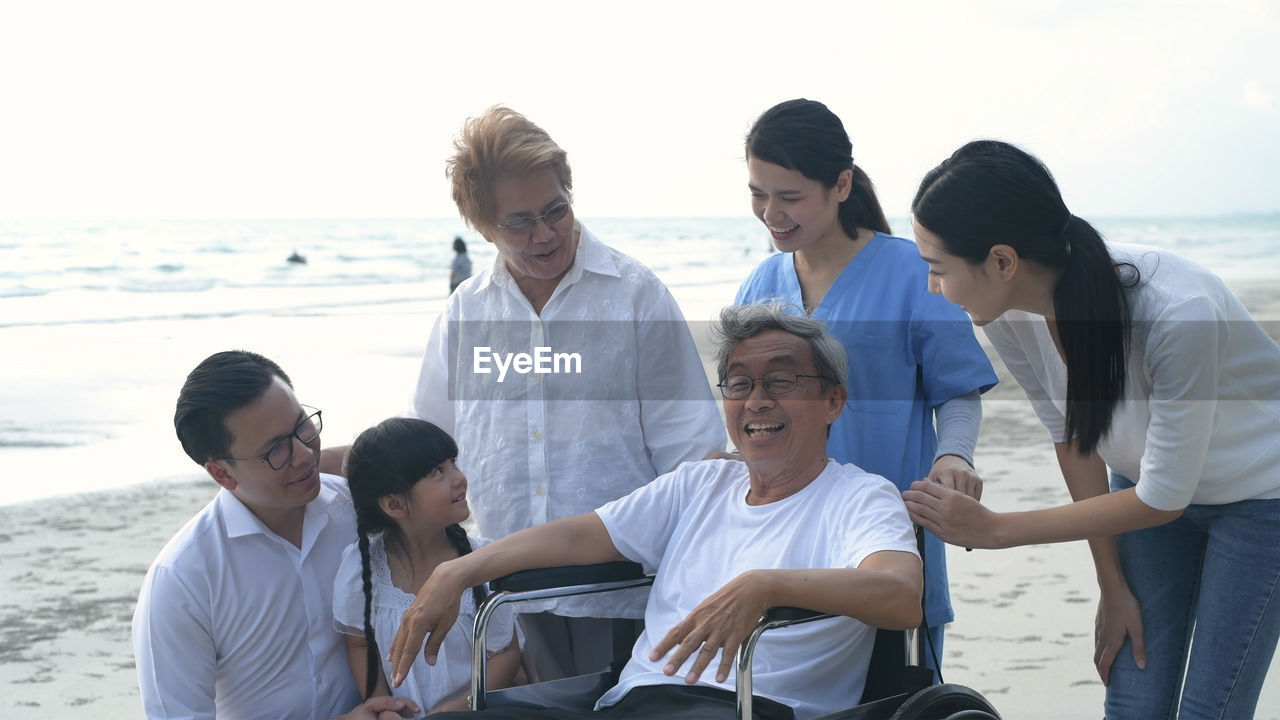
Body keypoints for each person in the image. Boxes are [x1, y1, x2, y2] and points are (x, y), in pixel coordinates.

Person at [324, 105, 726, 680]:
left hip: (620, 589)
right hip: (499, 600)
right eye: (520, 222)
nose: (546, 233)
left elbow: (692, 456)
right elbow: (426, 446)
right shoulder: (465, 312)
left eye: (556, 210)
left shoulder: (637, 296)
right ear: (482, 225)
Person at [387, 303, 923, 720]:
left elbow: (900, 599)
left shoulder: (859, 497)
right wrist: (458, 570)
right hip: (633, 700)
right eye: (740, 383)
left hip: (747, 708)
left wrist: (767, 586)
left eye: (782, 381)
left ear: (833, 401)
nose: (757, 400)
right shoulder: (701, 483)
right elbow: (577, 537)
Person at [902, 139, 1280, 719]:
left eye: (937, 269)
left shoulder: (1179, 313)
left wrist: (997, 528)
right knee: (1133, 695)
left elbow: (1164, 498)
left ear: (1002, 262)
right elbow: (1073, 437)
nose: (933, 287)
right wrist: (1112, 583)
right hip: (1140, 492)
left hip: (1258, 498)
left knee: (1210, 710)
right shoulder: (1008, 309)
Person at [733, 98, 998, 672]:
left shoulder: (912, 273)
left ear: (842, 184)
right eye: (759, 193)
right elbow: (747, 412)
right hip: (787, 539)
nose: (771, 212)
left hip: (886, 543)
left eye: (790, 196)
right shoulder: (760, 284)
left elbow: (957, 389)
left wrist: (954, 455)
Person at [132, 350, 420, 719]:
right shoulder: (182, 580)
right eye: (275, 450)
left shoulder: (357, 508)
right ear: (222, 474)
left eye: (303, 426)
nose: (304, 454)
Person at [334, 417, 522, 713]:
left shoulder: (480, 561)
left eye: (452, 463)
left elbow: (506, 653)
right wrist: (383, 707)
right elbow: (359, 645)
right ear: (394, 504)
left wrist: (460, 708)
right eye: (438, 471)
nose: (459, 478)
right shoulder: (362, 568)